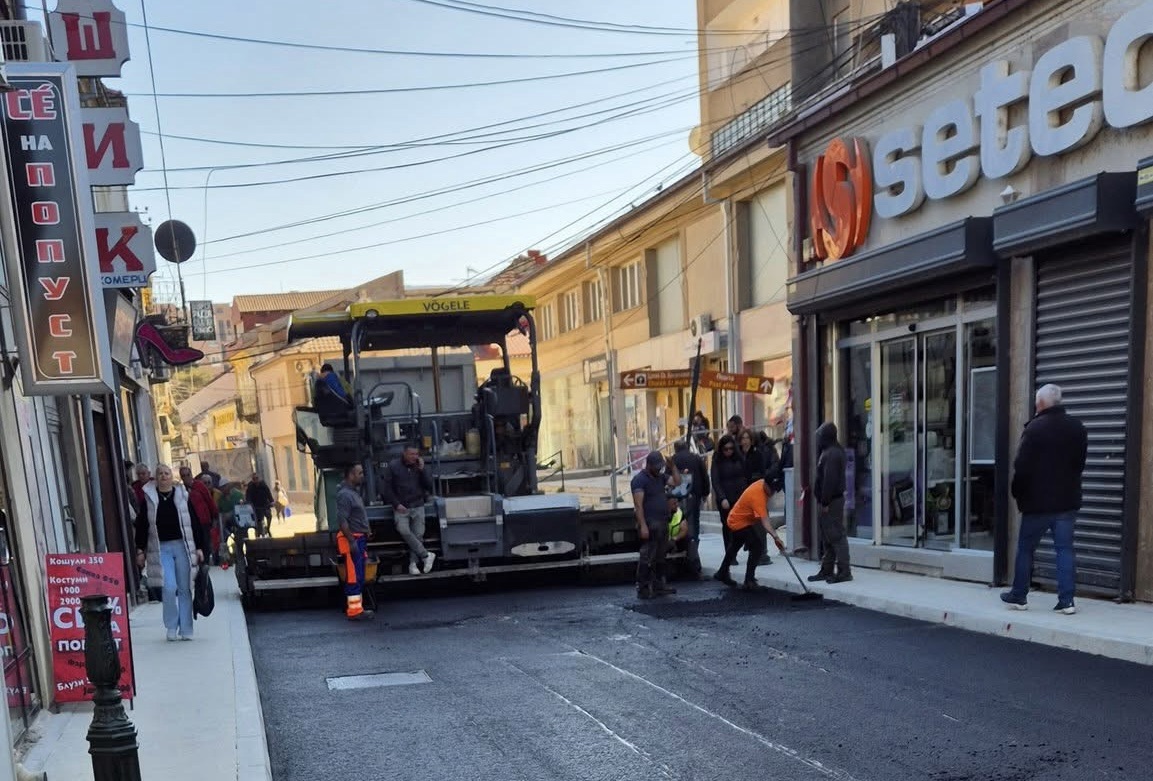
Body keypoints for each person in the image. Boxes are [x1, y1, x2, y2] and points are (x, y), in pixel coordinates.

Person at [1002, 384, 1087, 614]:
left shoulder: (1035, 429)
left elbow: (1022, 467)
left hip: (1037, 504)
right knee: (1064, 549)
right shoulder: (1077, 428)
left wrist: (1017, 492)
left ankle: (1019, 596)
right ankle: (1067, 601)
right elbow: (1079, 464)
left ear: (1039, 404)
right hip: (1067, 502)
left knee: (1026, 549)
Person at [135, 464, 207, 641]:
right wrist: (140, 549)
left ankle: (186, 628)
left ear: (171, 476)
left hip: (182, 546)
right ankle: (171, 626)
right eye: (160, 473)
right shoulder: (149, 498)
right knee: (169, 587)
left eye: (167, 473)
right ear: (155, 477)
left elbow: (194, 521)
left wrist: (199, 547)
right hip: (161, 548)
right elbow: (142, 525)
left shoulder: (182, 495)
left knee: (185, 588)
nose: (164, 476)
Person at [713, 475, 782, 591]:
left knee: (735, 546)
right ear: (766, 484)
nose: (773, 493)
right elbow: (765, 523)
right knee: (757, 547)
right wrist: (776, 538)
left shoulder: (762, 484)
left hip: (740, 518)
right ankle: (749, 581)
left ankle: (722, 572)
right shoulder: (758, 496)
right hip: (739, 522)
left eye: (775, 490)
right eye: (772, 489)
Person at [631, 450, 681, 599]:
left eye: (661, 466)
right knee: (647, 556)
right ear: (649, 465)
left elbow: (677, 482)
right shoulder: (639, 480)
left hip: (662, 521)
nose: (659, 469)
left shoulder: (660, 477)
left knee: (660, 556)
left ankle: (659, 585)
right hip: (650, 522)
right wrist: (643, 525)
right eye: (656, 467)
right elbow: (638, 505)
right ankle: (643, 587)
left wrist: (673, 466)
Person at [381, 444, 436, 575]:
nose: (414, 457)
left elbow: (429, 485)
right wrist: (396, 504)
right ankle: (426, 555)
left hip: (418, 505)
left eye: (416, 454)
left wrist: (422, 470)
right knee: (403, 530)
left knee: (418, 535)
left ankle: (413, 564)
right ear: (404, 453)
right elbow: (386, 488)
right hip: (402, 506)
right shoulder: (393, 466)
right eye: (412, 454)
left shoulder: (419, 466)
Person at [809, 422, 851, 583]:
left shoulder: (832, 454)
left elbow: (829, 481)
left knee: (836, 536)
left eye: (820, 436)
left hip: (832, 501)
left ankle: (844, 571)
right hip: (830, 500)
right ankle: (827, 570)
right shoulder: (831, 451)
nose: (818, 439)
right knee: (828, 537)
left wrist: (825, 502)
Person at [336, 463, 374, 621]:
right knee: (353, 576)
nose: (362, 476)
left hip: (358, 538)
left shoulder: (352, 493)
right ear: (351, 475)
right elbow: (342, 520)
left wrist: (366, 530)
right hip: (352, 540)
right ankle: (354, 611)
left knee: (358, 575)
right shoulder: (345, 495)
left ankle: (358, 609)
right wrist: (351, 541)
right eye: (360, 473)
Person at [671, 439, 709, 577]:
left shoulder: (673, 460)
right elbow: (704, 476)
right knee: (694, 525)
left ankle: (686, 554)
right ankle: (693, 554)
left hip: (677, 497)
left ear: (675, 448)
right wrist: (705, 492)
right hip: (695, 495)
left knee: (681, 523)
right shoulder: (696, 458)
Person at [710, 434, 748, 563]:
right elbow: (715, 481)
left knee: (740, 526)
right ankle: (730, 555)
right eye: (725, 449)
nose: (728, 451)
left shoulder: (739, 458)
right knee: (727, 527)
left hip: (739, 497)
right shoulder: (717, 460)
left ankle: (736, 549)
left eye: (731, 448)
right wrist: (722, 498)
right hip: (725, 498)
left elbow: (744, 475)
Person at [180, 466, 219, 566]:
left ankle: (205, 564)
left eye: (188, 475)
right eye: (183, 476)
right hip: (190, 522)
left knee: (205, 544)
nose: (186, 477)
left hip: (203, 521)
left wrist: (214, 516)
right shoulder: (181, 490)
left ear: (191, 474)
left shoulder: (199, 486)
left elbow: (209, 501)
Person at [245, 473, 274, 538]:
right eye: (254, 479)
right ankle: (258, 532)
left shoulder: (263, 485)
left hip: (265, 504)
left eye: (257, 478)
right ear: (252, 480)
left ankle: (268, 528)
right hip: (256, 506)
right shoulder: (250, 486)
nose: (256, 480)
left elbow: (268, 493)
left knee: (269, 516)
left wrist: (271, 501)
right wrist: (249, 503)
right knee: (258, 520)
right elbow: (248, 496)